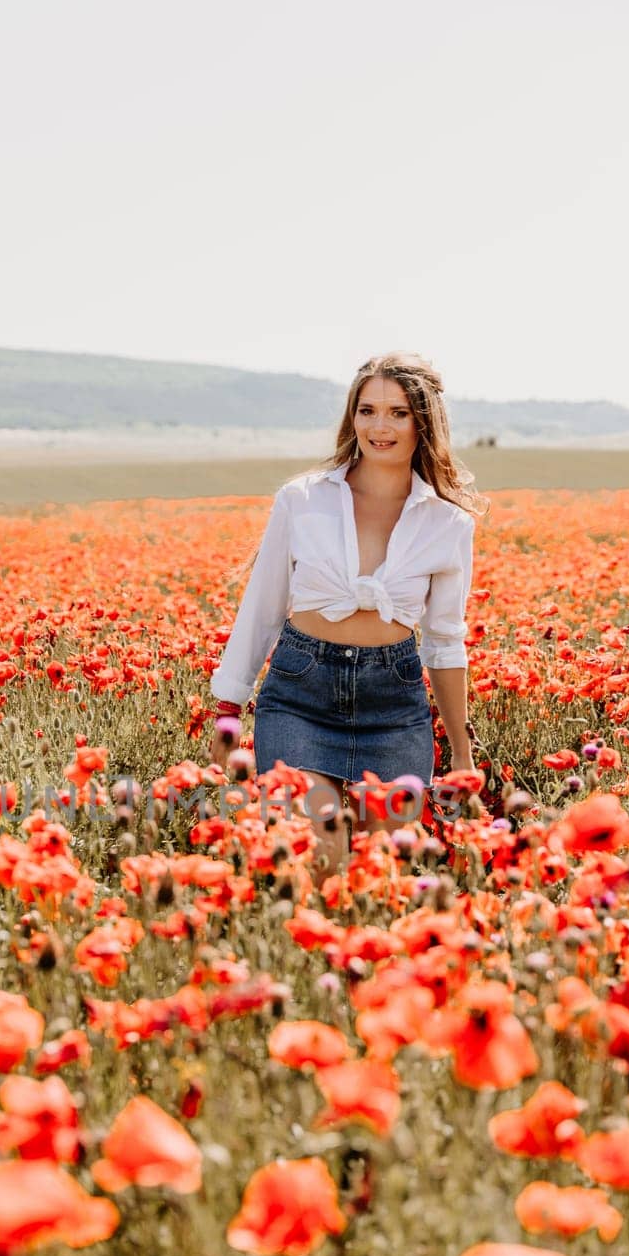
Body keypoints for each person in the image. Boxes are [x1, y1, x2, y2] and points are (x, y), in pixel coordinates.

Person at [207, 351, 489, 882]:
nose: (379, 426)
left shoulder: (448, 522)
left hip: (394, 704)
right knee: (318, 859)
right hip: (300, 696)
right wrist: (228, 706)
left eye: (398, 413)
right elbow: (263, 606)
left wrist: (460, 753)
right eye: (367, 410)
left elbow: (446, 643)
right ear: (351, 416)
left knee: (385, 875)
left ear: (422, 422)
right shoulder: (303, 499)